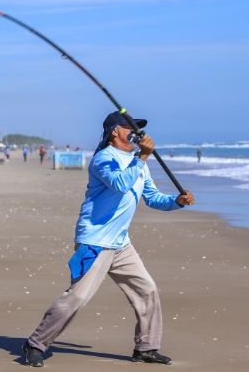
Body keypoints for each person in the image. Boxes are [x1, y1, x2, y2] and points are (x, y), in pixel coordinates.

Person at [22, 111, 196, 367]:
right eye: (130, 127)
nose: (136, 131)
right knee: (77, 297)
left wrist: (176, 202)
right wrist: (143, 156)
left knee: (146, 289)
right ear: (115, 131)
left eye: (138, 128)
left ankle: (146, 348)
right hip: (95, 240)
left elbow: (153, 197)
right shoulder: (104, 158)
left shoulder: (139, 163)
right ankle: (35, 344)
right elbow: (119, 184)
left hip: (121, 244)